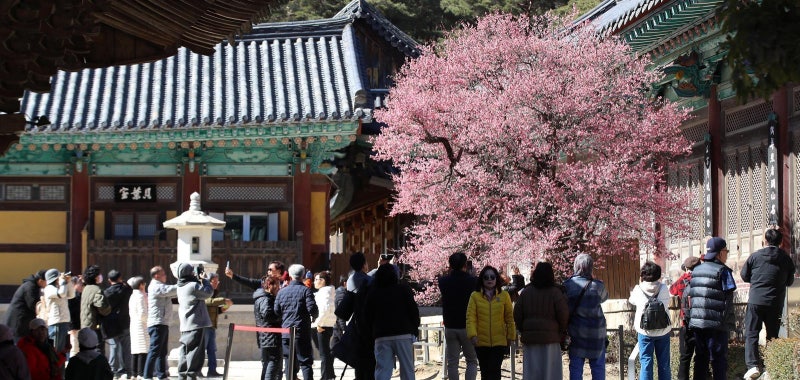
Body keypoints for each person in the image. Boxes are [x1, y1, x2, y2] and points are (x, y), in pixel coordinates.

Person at [741, 228, 795, 379]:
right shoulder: (786, 259)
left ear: (764, 241)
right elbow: (789, 281)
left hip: (756, 300)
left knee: (752, 333)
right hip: (775, 302)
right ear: (781, 242)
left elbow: (744, 276)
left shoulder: (755, 256)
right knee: (772, 335)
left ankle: (752, 366)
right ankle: (769, 366)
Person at [687, 237, 736, 380]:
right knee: (718, 360)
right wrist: (725, 321)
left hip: (697, 323)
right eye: (726, 251)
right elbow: (728, 299)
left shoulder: (695, 271)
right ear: (720, 253)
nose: (727, 254)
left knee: (700, 359)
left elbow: (690, 296)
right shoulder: (723, 271)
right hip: (716, 324)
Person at [513, 261, 568, 380]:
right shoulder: (556, 292)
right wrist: (560, 331)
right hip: (551, 339)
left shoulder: (526, 292)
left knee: (532, 373)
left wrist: (524, 329)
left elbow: (517, 313)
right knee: (550, 372)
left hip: (531, 339)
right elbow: (563, 315)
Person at [364, 264, 420, 380]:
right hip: (404, 333)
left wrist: (371, 333)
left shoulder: (373, 293)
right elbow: (413, 311)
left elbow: (367, 316)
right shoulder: (404, 289)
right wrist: (414, 329)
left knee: (382, 370)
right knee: (407, 370)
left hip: (381, 335)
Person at [466, 265, 516, 380]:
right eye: (486, 277)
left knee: (495, 371)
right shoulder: (475, 296)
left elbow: (509, 317)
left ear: (496, 279)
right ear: (482, 279)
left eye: (492, 277)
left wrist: (511, 336)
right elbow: (471, 317)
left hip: (499, 341)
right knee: (485, 372)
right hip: (481, 341)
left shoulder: (504, 295)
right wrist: (472, 335)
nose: (489, 279)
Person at [564, 253, 609, 380]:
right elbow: (605, 298)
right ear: (591, 267)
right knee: (598, 368)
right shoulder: (598, 286)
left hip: (577, 333)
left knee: (576, 369)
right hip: (597, 333)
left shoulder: (567, 285)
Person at [437, 252, 478, 380]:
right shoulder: (473, 281)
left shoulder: (443, 281)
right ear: (465, 264)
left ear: (450, 265)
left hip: (450, 325)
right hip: (467, 326)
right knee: (471, 360)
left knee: (452, 362)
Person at [274, 264, 318, 380]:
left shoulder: (281, 292)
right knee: (305, 362)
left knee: (289, 361)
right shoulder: (306, 291)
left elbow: (276, 311)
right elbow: (312, 309)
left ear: (290, 275)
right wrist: (314, 316)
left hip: (286, 331)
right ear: (303, 275)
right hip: (301, 331)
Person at [628, 261, 671, 380]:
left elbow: (632, 301)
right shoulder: (663, 288)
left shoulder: (638, 289)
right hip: (663, 330)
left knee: (646, 362)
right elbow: (667, 302)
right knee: (664, 363)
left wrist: (640, 283)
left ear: (643, 275)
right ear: (658, 274)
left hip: (645, 331)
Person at [176, 263, 214, 380]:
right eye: (192, 272)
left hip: (185, 325)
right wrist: (205, 279)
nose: (194, 273)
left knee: (185, 352)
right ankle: (191, 376)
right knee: (195, 353)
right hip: (195, 324)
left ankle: (182, 376)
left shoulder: (180, 286)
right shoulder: (193, 286)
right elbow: (208, 292)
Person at [143, 265, 178, 380]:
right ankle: (147, 376)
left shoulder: (160, 285)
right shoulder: (155, 286)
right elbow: (169, 290)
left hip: (162, 322)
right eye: (163, 274)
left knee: (162, 352)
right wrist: (182, 284)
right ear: (156, 275)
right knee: (154, 351)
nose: (165, 276)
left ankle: (161, 375)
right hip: (157, 323)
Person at [669, 256, 700, 380]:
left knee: (684, 357)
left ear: (686, 268)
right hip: (701, 323)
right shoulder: (702, 278)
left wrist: (684, 275)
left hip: (686, 323)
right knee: (701, 356)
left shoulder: (682, 281)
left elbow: (672, 290)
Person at [103, 269, 133, 379]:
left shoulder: (106, 292)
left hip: (111, 323)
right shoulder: (127, 290)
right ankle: (128, 371)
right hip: (124, 321)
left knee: (114, 347)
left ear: (109, 280)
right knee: (126, 347)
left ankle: (114, 370)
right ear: (120, 278)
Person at [203, 272, 233, 378]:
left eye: (217, 282)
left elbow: (214, 309)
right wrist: (223, 300)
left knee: (212, 349)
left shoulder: (215, 292)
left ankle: (212, 370)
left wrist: (224, 308)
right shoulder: (204, 290)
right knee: (202, 350)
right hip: (204, 325)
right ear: (209, 281)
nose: (216, 284)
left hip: (212, 325)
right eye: (214, 282)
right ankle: (197, 370)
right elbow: (208, 301)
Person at [3, 269, 47, 341]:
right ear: (40, 281)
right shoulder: (30, 287)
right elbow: (33, 304)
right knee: (18, 342)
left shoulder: (33, 286)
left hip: (23, 320)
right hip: (19, 321)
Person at [43, 269, 75, 358]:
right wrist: (63, 282)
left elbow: (71, 295)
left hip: (64, 321)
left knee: (63, 350)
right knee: (56, 349)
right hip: (56, 322)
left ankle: (61, 366)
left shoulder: (61, 286)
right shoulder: (49, 288)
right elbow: (62, 294)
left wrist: (68, 282)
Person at [255, 276, 283, 380]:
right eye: (277, 285)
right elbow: (267, 315)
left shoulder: (264, 298)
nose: (279, 288)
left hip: (266, 336)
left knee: (267, 363)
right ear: (270, 285)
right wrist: (281, 316)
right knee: (273, 362)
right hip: (270, 336)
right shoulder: (265, 298)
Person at [79, 265, 111, 351]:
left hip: (86, 324)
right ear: (95, 277)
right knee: (97, 351)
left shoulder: (86, 288)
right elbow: (103, 308)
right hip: (95, 327)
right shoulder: (96, 290)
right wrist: (109, 308)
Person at [311, 271, 336, 380]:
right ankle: (330, 375)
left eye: (317, 279)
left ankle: (325, 377)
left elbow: (325, 309)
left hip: (322, 325)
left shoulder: (325, 292)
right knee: (325, 352)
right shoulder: (325, 291)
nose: (314, 282)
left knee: (324, 354)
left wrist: (318, 324)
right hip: (324, 324)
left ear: (323, 281)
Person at [128, 276, 149, 380]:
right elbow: (142, 313)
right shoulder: (140, 296)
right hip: (141, 325)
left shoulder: (132, 296)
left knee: (135, 350)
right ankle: (141, 373)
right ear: (141, 285)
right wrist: (148, 320)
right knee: (142, 350)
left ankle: (134, 374)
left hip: (134, 324)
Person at [67, 277, 84, 357]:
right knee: (74, 347)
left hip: (79, 324)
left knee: (78, 347)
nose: (82, 286)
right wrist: (72, 327)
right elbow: (71, 311)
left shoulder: (79, 294)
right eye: (80, 283)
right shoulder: (71, 296)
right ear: (74, 284)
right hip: (74, 325)